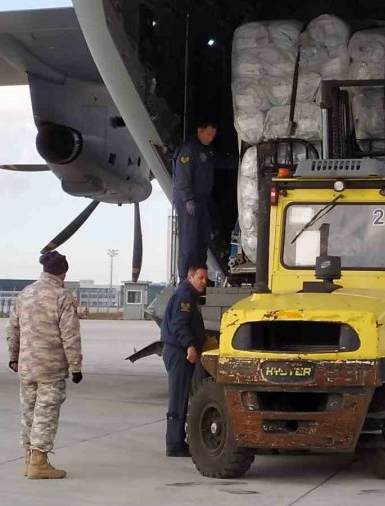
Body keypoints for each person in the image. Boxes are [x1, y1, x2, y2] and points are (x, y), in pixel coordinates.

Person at [6, 250, 82, 479]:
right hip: (51, 367)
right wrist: (76, 367)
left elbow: (13, 328)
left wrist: (13, 356)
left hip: (27, 365)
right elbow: (70, 335)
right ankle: (38, 462)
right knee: (46, 413)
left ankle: (28, 460)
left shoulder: (25, 293)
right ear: (63, 273)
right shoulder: (62, 296)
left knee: (28, 413)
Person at [173, 119, 236, 279]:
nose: (210, 138)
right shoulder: (188, 150)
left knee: (202, 239)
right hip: (189, 202)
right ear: (200, 131)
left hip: (202, 201)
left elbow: (219, 162)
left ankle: (200, 276)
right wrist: (188, 199)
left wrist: (239, 160)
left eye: (213, 135)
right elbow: (182, 178)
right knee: (189, 241)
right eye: (208, 134)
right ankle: (185, 277)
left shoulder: (206, 151)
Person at [161, 264, 208, 457]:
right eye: (200, 278)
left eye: (205, 278)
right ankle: (174, 444)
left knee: (181, 397)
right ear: (190, 277)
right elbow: (179, 324)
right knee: (178, 397)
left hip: (179, 350)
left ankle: (177, 440)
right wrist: (189, 345)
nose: (204, 282)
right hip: (179, 352)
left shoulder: (189, 295)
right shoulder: (185, 296)